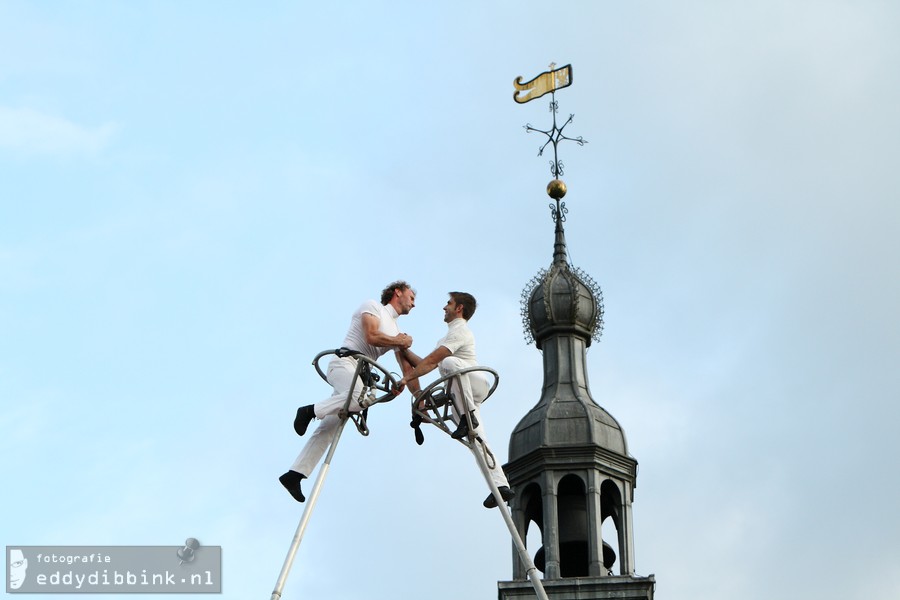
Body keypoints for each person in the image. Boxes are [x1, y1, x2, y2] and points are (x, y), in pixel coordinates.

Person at [279, 281, 416, 503]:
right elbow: (371, 336)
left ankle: (294, 475)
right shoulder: (372, 307)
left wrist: (414, 378)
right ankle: (309, 410)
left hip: (360, 373)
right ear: (397, 292)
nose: (414, 303)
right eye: (411, 296)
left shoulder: (397, 332)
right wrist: (398, 341)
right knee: (360, 398)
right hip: (344, 363)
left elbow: (409, 367)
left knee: (331, 425)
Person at [395, 291, 515, 509]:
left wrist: (406, 378)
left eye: (448, 303)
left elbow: (434, 361)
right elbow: (427, 362)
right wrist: (404, 351)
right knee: (476, 439)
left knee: (449, 364)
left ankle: (468, 415)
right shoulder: (448, 337)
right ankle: (500, 486)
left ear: (459, 308)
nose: (444, 307)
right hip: (461, 389)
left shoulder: (461, 331)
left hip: (473, 381)